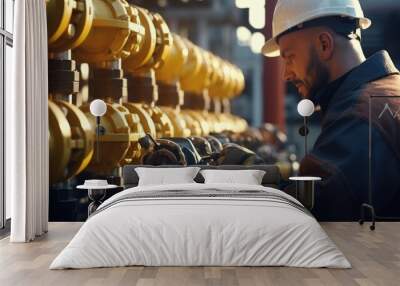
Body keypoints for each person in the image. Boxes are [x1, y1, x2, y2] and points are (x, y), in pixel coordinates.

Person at [263, 0, 400, 220]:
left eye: (289, 58)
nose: (286, 74)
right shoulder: (385, 93)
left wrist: (254, 184)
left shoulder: (362, 115)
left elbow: (313, 211)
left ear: (324, 44)